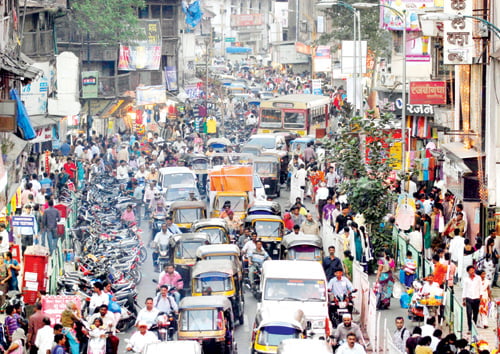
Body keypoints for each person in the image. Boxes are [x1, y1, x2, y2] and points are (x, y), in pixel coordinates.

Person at [462, 265, 481, 334]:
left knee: (475, 313)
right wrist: (463, 298)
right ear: (468, 272)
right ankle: (469, 328)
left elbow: (480, 287)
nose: (472, 271)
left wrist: (480, 296)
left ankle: (474, 326)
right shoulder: (466, 279)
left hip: (476, 298)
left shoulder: (478, 278)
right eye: (470, 270)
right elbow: (464, 289)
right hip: (468, 298)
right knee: (469, 313)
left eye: (473, 270)